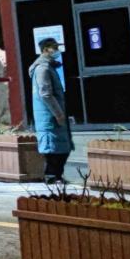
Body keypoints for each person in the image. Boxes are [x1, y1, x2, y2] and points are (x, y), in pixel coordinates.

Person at [30, 38, 73, 184]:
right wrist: (59, 114)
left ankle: (56, 176)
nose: (57, 50)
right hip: (49, 116)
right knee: (53, 149)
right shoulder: (43, 69)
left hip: (52, 115)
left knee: (61, 148)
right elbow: (46, 94)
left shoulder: (49, 67)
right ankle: (52, 177)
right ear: (45, 49)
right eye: (54, 47)